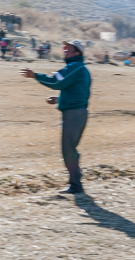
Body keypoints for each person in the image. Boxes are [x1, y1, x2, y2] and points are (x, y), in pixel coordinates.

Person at [19, 40, 91, 194]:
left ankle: (76, 185)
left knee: (68, 149)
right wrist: (59, 99)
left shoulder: (75, 67)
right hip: (77, 112)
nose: (64, 50)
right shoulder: (80, 68)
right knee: (70, 149)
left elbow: (56, 82)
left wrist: (35, 75)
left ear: (77, 52)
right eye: (64, 48)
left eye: (68, 48)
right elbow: (78, 92)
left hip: (74, 114)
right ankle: (76, 181)